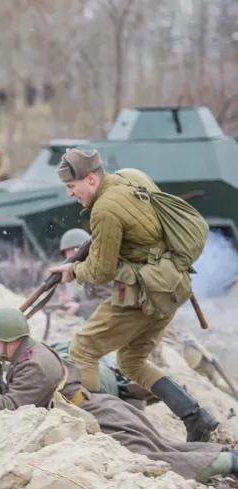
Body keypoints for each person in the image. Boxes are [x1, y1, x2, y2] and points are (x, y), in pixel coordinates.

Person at [0, 308, 237, 483]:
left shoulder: (33, 363)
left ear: (8, 340)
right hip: (98, 409)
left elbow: (12, 411)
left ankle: (231, 463)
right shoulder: (29, 353)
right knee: (163, 448)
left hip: (99, 419)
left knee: (150, 460)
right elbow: (24, 397)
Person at [48, 148, 219, 442]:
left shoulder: (105, 210)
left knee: (84, 349)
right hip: (172, 287)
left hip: (145, 294)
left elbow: (101, 272)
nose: (69, 194)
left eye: (71, 187)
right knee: (131, 361)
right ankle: (195, 417)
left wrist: (73, 271)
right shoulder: (131, 177)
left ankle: (97, 431)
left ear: (90, 179)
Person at [56, 228, 111, 319]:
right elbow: (88, 295)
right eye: (67, 252)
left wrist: (79, 307)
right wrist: (73, 301)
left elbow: (108, 302)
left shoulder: (100, 270)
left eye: (74, 250)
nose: (70, 256)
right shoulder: (83, 272)